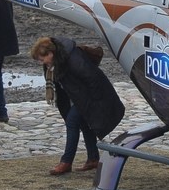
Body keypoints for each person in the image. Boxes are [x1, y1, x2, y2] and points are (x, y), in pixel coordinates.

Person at [32, 35, 126, 176]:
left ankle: (66, 162)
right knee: (84, 124)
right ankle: (93, 158)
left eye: (42, 59)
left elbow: (93, 79)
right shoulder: (56, 63)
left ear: (50, 54)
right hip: (81, 97)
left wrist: (94, 103)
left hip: (91, 97)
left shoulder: (74, 60)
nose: (42, 63)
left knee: (72, 121)